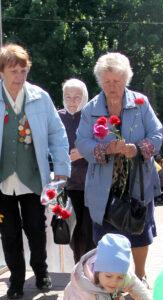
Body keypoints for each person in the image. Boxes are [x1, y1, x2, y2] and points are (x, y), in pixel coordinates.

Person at [0, 44, 70, 300]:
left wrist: (61, 168)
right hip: (0, 179)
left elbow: (57, 134)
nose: (19, 76)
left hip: (33, 177)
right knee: (8, 232)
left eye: (23, 70)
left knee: (36, 228)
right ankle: (15, 278)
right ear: (2, 71)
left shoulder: (40, 97)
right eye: (13, 70)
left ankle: (41, 272)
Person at [76, 52, 163, 284]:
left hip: (137, 182)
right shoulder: (91, 109)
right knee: (105, 234)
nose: (112, 86)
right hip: (103, 183)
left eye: (117, 81)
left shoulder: (141, 104)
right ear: (100, 82)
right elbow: (82, 142)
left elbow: (157, 135)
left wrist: (138, 148)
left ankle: (141, 275)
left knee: (139, 230)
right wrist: (107, 149)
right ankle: (110, 280)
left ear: (126, 79)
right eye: (107, 82)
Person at [58, 78, 94, 262]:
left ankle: (90, 269)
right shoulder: (57, 117)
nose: (72, 101)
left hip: (90, 182)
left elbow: (103, 146)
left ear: (85, 97)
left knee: (89, 230)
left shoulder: (92, 116)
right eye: (68, 97)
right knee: (73, 230)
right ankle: (77, 268)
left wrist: (84, 153)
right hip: (68, 183)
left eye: (77, 97)